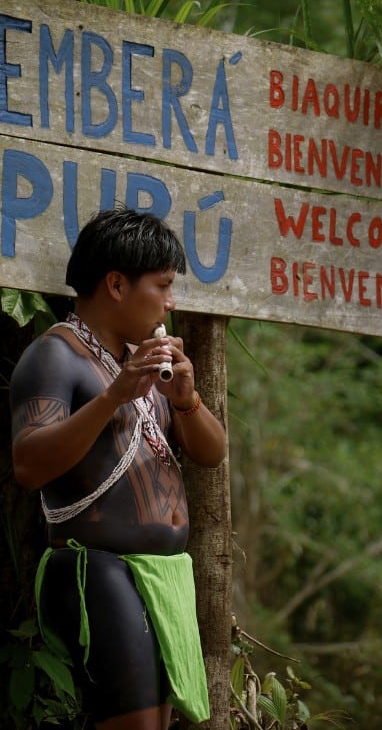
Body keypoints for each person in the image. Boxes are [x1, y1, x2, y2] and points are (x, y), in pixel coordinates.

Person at [9, 207, 227, 730]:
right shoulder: (56, 355)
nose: (171, 303)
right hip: (98, 571)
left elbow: (213, 453)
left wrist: (186, 400)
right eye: (164, 286)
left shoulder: (141, 361)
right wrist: (116, 394)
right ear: (116, 284)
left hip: (164, 576)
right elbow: (28, 464)